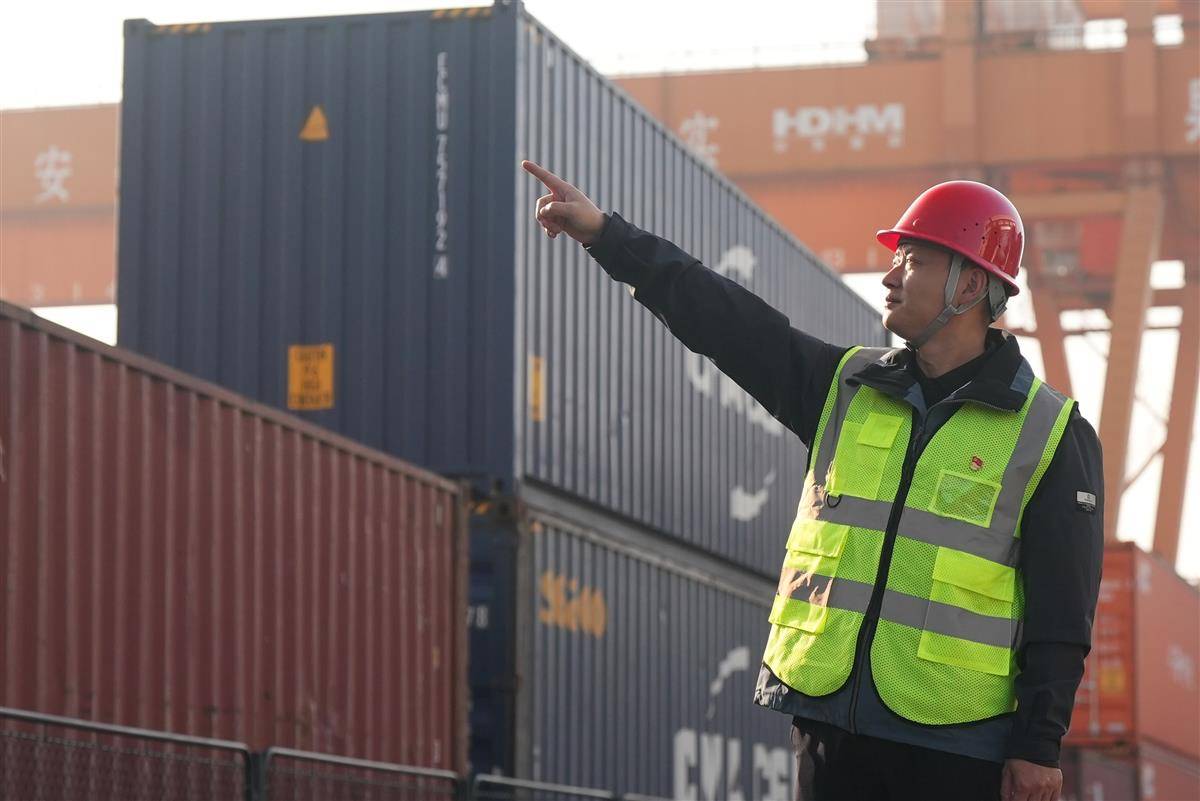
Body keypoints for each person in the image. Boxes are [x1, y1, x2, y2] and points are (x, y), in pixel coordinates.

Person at [522, 160, 1104, 801]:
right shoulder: (845, 387)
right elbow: (726, 320)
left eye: (912, 261)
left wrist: (1038, 745)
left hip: (955, 747)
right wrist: (605, 235)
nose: (889, 276)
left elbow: (1062, 609)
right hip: (829, 728)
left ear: (969, 285)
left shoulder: (1052, 433)